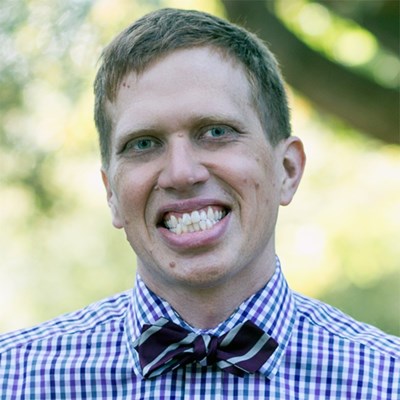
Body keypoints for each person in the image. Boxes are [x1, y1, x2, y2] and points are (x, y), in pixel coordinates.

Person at [0, 8, 398, 399]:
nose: (181, 173)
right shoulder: (14, 379)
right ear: (111, 193)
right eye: (143, 143)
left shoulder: (387, 380)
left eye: (216, 132)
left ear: (288, 170)